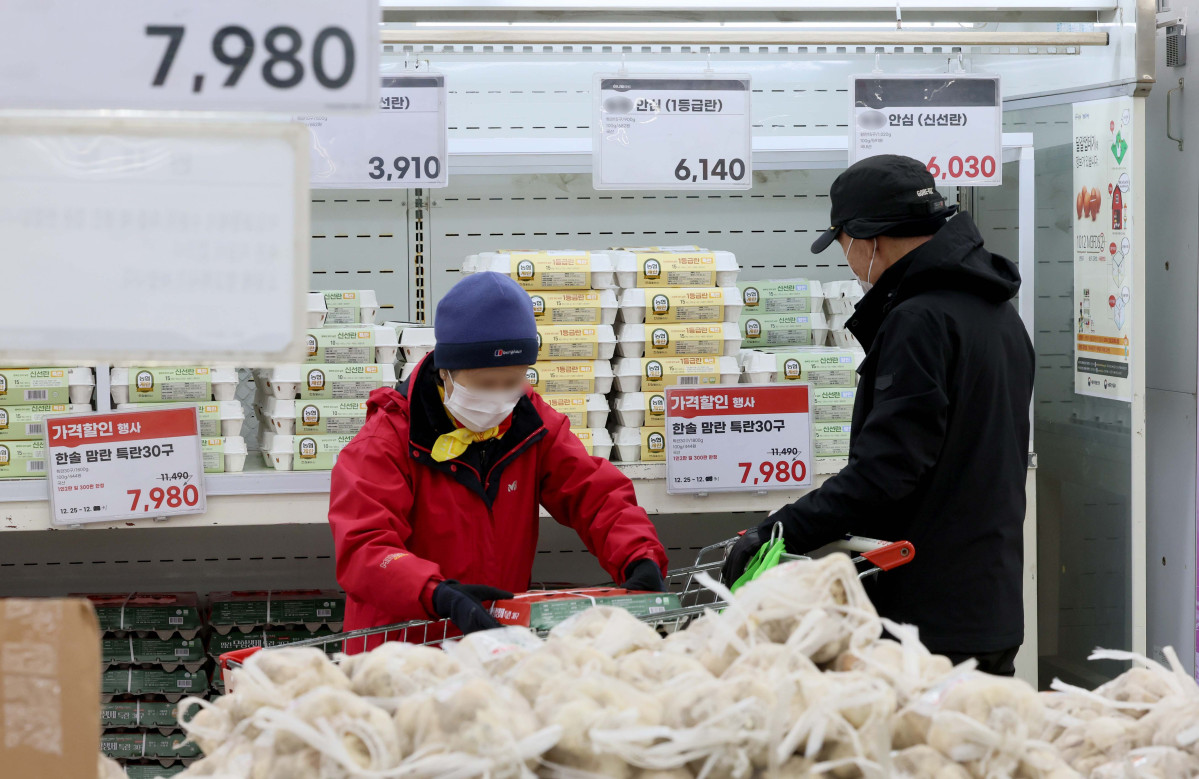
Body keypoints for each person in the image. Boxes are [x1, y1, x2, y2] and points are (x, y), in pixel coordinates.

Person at [722, 155, 1035, 675]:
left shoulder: (919, 321)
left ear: (870, 241)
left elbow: (886, 471)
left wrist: (779, 532)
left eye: (843, 244)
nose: (846, 260)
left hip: (926, 621)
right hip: (989, 601)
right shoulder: (996, 312)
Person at [329, 272, 668, 650]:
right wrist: (436, 594)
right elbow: (364, 547)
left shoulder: (530, 424)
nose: (500, 397)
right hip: (399, 649)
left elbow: (595, 494)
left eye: (512, 382)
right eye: (486, 384)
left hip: (495, 644)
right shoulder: (387, 439)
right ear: (446, 372)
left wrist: (639, 556)